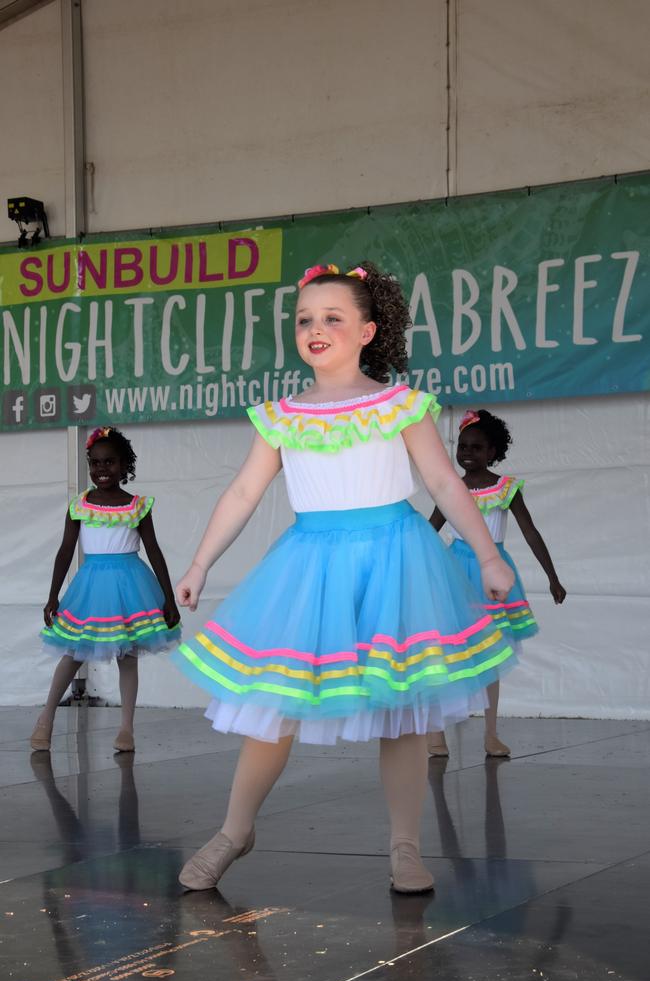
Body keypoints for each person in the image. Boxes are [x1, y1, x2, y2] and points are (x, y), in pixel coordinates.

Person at [173, 262, 517, 895]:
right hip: (311, 565)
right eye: (305, 318)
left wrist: (488, 555)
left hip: (396, 559)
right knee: (272, 704)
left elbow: (444, 481)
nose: (315, 328)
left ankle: (405, 846)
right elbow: (245, 492)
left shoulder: (400, 404)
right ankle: (234, 830)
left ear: (368, 331)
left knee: (403, 707)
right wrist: (198, 564)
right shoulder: (281, 416)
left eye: (333, 317)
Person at [32, 426, 181, 754]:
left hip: (131, 584)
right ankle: (45, 719)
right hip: (92, 586)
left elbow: (153, 550)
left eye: (110, 462)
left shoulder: (137, 506)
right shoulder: (80, 505)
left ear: (124, 465)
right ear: (89, 464)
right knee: (74, 652)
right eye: (96, 463)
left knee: (128, 656)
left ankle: (126, 728)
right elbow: (65, 551)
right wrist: (53, 595)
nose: (102, 469)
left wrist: (169, 597)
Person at [427, 409, 566, 758]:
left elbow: (530, 533)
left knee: (492, 655)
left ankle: (491, 734)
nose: (467, 453)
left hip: (493, 574)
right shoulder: (450, 487)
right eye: (462, 446)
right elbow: (431, 531)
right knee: (451, 654)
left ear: (493, 451)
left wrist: (552, 576)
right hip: (456, 572)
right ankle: (438, 734)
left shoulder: (507, 488)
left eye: (476, 447)